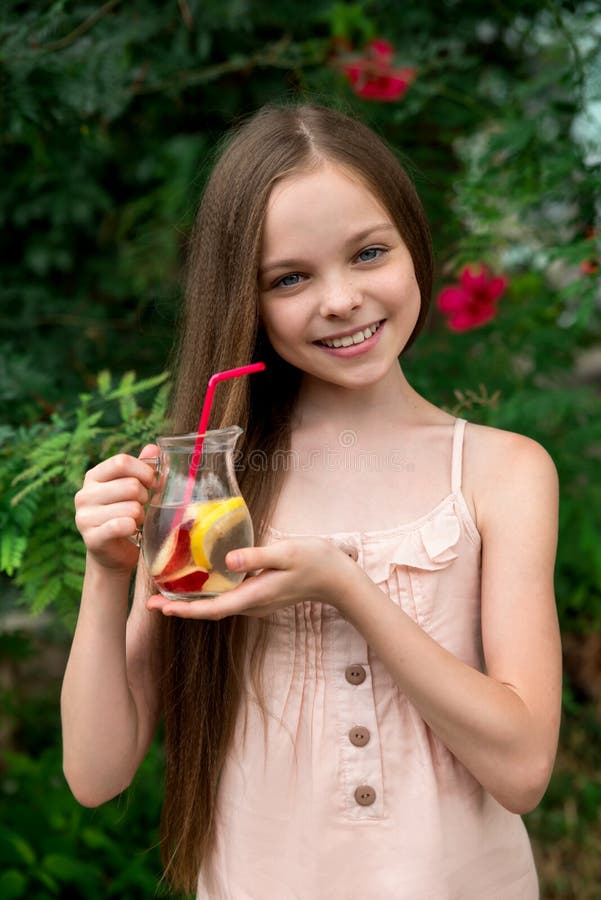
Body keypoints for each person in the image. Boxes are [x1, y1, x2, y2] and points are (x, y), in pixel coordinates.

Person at [62, 103, 562, 899]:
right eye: (289, 278)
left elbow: (523, 770)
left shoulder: (502, 472)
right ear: (246, 303)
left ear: (413, 246)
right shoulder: (210, 486)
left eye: (368, 253)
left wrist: (347, 588)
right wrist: (105, 572)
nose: (339, 299)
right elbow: (95, 774)